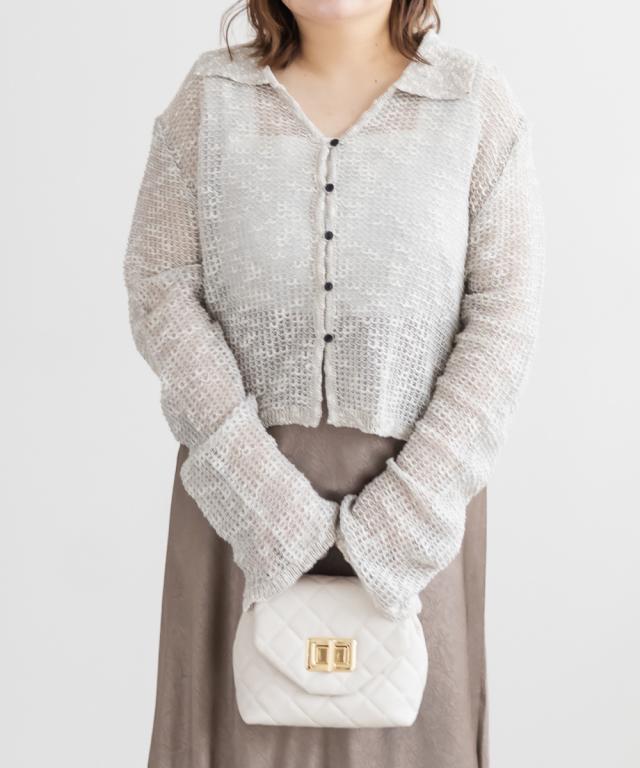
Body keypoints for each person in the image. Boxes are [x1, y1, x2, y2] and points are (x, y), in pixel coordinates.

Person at [123, 1, 545, 765]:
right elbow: (161, 289)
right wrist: (262, 503)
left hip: (418, 512)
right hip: (236, 506)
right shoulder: (210, 102)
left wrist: (407, 510)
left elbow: (506, 314)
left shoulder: (475, 106)